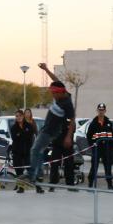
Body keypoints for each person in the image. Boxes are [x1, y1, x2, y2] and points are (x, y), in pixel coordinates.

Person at [19, 63, 75, 194]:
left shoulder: (67, 104)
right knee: (39, 152)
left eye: (54, 94)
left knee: (34, 149)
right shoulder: (63, 91)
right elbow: (56, 80)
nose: (53, 97)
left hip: (51, 131)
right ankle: (37, 174)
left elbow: (72, 121)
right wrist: (46, 69)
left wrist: (68, 137)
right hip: (46, 128)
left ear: (60, 93)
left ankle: (31, 175)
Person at [86, 103, 113, 189]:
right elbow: (89, 136)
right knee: (94, 166)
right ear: (97, 110)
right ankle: (90, 184)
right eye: (99, 110)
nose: (101, 112)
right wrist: (92, 144)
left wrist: (111, 149)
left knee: (108, 167)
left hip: (106, 149)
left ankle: (110, 185)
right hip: (97, 148)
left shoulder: (109, 123)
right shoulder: (93, 123)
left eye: (102, 110)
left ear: (105, 111)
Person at [49, 118, 77, 192]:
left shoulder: (70, 118)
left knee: (69, 164)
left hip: (68, 145)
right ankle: (52, 185)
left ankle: (70, 185)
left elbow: (73, 130)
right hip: (57, 144)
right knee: (54, 164)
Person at [10, 109, 35, 193]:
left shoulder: (29, 125)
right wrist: (23, 133)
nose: (18, 117)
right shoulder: (13, 127)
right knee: (18, 171)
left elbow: (29, 137)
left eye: (20, 116)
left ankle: (37, 186)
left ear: (23, 116)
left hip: (27, 151)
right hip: (17, 152)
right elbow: (15, 138)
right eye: (16, 116)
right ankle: (21, 187)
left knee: (30, 170)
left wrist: (20, 134)